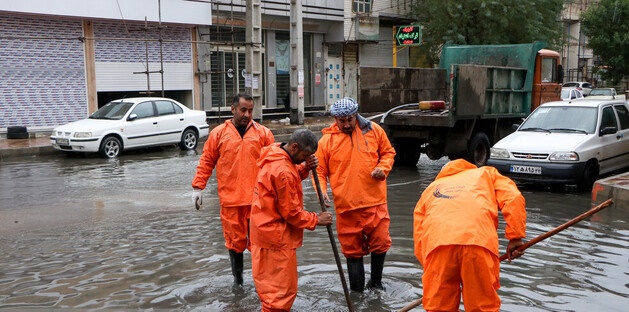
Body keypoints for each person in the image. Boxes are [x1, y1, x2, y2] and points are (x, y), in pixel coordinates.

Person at [413, 158, 527, 311]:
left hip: (438, 249)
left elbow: (419, 235)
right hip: (478, 243)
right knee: (482, 307)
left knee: (438, 307)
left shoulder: (430, 189)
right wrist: (515, 237)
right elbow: (513, 197)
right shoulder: (486, 174)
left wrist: (433, 269)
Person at [191, 93, 275, 286]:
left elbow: (277, 162)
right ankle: (238, 282)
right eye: (243, 110)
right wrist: (198, 186)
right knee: (234, 244)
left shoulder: (263, 134)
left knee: (260, 245)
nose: (247, 114)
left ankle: (262, 285)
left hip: (258, 200)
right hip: (231, 201)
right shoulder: (218, 133)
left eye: (250, 110)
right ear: (233, 109)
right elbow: (207, 161)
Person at [314, 97, 396, 292]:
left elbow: (388, 153)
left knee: (381, 244)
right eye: (341, 121)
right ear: (335, 119)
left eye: (350, 119)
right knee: (352, 252)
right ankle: (356, 292)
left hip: (375, 202)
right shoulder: (326, 141)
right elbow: (319, 172)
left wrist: (382, 168)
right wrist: (322, 192)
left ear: (355, 115)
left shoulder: (374, 131)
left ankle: (376, 283)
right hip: (346, 207)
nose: (346, 124)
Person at [250, 129, 333, 311]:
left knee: (270, 291)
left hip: (262, 233)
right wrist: (317, 219)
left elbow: (288, 178)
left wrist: (304, 168)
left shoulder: (275, 152)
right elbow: (292, 213)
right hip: (276, 240)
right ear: (294, 147)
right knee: (281, 294)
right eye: (304, 155)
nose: (305, 159)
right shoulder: (283, 170)